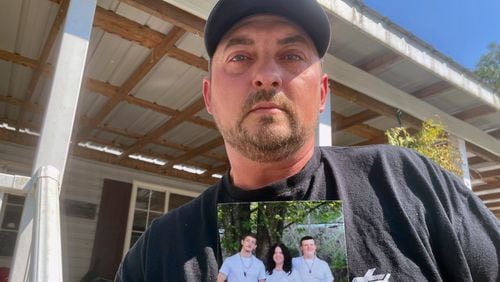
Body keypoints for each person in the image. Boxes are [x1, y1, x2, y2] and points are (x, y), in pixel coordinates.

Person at [115, 0, 500, 281]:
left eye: (292, 54)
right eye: (240, 57)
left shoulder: (410, 185)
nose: (266, 75)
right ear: (209, 96)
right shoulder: (155, 255)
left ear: (322, 93)